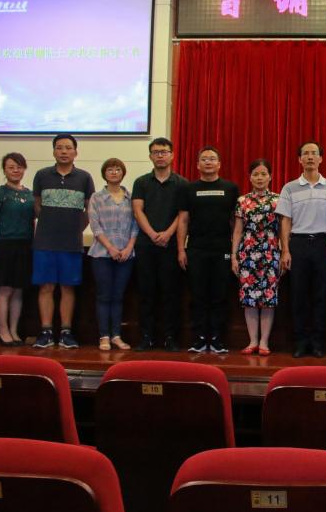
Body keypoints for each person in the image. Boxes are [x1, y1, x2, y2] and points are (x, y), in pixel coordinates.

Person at [31, 134, 95, 349]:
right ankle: (46, 332)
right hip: (44, 241)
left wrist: (75, 229)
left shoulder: (84, 178)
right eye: (59, 148)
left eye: (68, 148)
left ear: (76, 152)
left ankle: (66, 332)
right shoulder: (42, 175)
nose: (64, 151)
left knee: (68, 287)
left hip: (71, 242)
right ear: (54, 151)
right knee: (46, 287)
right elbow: (37, 205)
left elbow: (89, 209)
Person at [277, 141, 326, 358]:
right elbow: (285, 221)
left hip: (323, 244)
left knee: (321, 296)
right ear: (299, 159)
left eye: (314, 153)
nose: (310, 157)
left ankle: (318, 343)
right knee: (298, 296)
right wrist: (285, 250)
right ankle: (301, 343)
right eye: (306, 153)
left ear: (321, 158)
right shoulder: (289, 188)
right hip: (298, 245)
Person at [177, 146, 239, 354]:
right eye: (204, 159)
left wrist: (234, 252)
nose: (208, 162)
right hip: (196, 249)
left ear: (219, 164)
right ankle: (199, 338)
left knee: (220, 295)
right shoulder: (189, 189)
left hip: (223, 249)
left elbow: (235, 222)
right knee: (198, 295)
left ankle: (217, 338)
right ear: (198, 165)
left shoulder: (230, 188)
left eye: (212, 159)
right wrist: (181, 249)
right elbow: (183, 220)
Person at [131, 137, 187, 352]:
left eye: (164, 152)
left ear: (172, 155)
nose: (160, 155)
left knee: (171, 294)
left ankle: (170, 338)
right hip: (146, 245)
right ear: (150, 156)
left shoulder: (182, 183)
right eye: (156, 152)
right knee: (146, 293)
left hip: (171, 246)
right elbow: (138, 211)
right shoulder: (141, 182)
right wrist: (153, 234)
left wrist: (167, 234)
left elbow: (183, 215)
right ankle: (146, 337)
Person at [88, 158, 139, 352]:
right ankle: (104, 336)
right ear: (104, 173)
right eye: (110, 169)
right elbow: (95, 226)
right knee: (104, 295)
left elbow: (136, 225)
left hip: (126, 255)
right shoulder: (96, 198)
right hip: (102, 254)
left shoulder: (130, 198)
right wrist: (110, 247)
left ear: (123, 173)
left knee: (118, 296)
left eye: (118, 169)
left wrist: (128, 248)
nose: (114, 172)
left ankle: (116, 335)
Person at [0, 153, 34, 346]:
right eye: (11, 167)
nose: (15, 170)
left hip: (25, 244)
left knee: (19, 290)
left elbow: (33, 221)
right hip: (5, 244)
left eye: (19, 167)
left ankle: (14, 329)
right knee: (5, 289)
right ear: (4, 170)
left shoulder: (29, 194)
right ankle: (3, 329)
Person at [232, 159, 281, 356]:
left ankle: (264, 342)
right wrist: (234, 256)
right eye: (255, 174)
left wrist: (284, 253)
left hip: (270, 253)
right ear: (250, 177)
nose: (259, 178)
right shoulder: (242, 201)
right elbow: (238, 230)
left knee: (268, 299)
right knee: (249, 299)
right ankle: (252, 341)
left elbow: (284, 229)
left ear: (270, 177)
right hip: (248, 253)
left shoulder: (278, 199)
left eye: (263, 174)